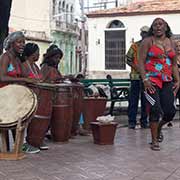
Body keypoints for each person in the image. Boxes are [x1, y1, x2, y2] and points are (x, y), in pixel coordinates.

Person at [138, 18, 180, 151]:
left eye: (160, 24)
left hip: (167, 80)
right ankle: (154, 140)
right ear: (152, 28)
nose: (158, 27)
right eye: (155, 25)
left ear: (166, 27)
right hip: (151, 81)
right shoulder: (147, 41)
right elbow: (140, 62)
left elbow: (173, 64)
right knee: (155, 109)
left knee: (170, 112)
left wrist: (178, 80)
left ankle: (160, 127)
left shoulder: (171, 42)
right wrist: (145, 80)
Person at [21, 43, 47, 154]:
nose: (39, 55)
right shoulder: (24, 65)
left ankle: (34, 140)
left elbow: (41, 78)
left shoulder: (35, 66)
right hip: (26, 97)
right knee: (24, 121)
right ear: (32, 54)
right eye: (37, 53)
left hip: (36, 97)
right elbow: (22, 80)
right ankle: (22, 144)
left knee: (33, 121)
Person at [126, 26, 149, 129]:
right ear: (141, 34)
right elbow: (128, 59)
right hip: (135, 77)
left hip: (147, 78)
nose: (144, 35)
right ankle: (132, 122)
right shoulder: (135, 46)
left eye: (146, 33)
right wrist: (137, 68)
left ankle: (144, 121)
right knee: (133, 100)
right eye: (143, 33)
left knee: (146, 101)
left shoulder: (151, 46)